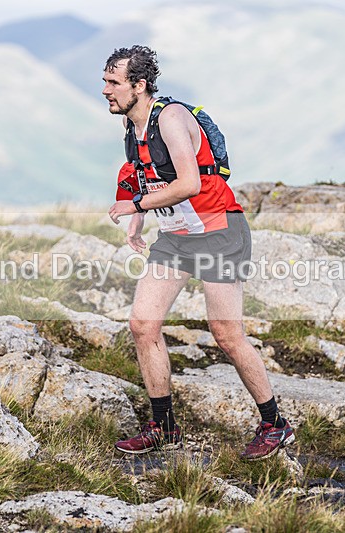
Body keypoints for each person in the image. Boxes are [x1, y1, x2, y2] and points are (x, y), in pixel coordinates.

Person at [102, 45, 294, 461]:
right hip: (177, 237)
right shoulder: (131, 129)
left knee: (226, 335)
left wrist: (134, 208)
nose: (105, 90)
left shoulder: (170, 118)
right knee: (142, 324)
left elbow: (189, 183)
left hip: (219, 231)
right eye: (105, 81)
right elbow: (144, 176)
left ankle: (274, 423)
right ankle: (164, 427)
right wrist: (138, 215)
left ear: (139, 85)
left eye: (113, 82)